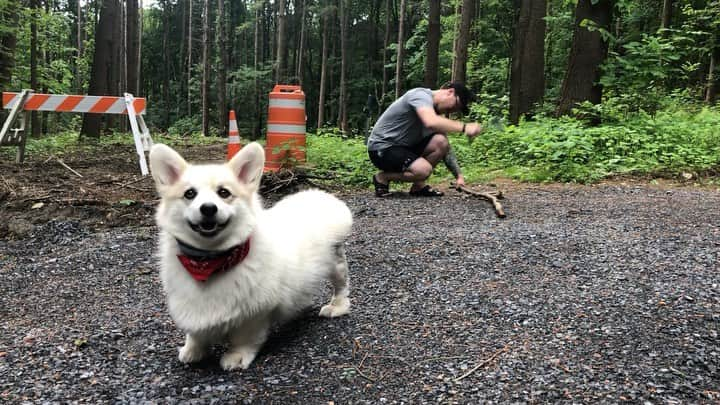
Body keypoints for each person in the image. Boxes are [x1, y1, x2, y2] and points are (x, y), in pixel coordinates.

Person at [367, 82, 483, 197]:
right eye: (456, 105)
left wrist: (459, 176)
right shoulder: (420, 95)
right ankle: (382, 177)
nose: (452, 110)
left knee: (441, 141)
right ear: (450, 92)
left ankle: (418, 187)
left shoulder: (431, 112)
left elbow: (445, 148)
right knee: (423, 170)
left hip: (403, 148)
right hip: (382, 148)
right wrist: (464, 127)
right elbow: (431, 122)